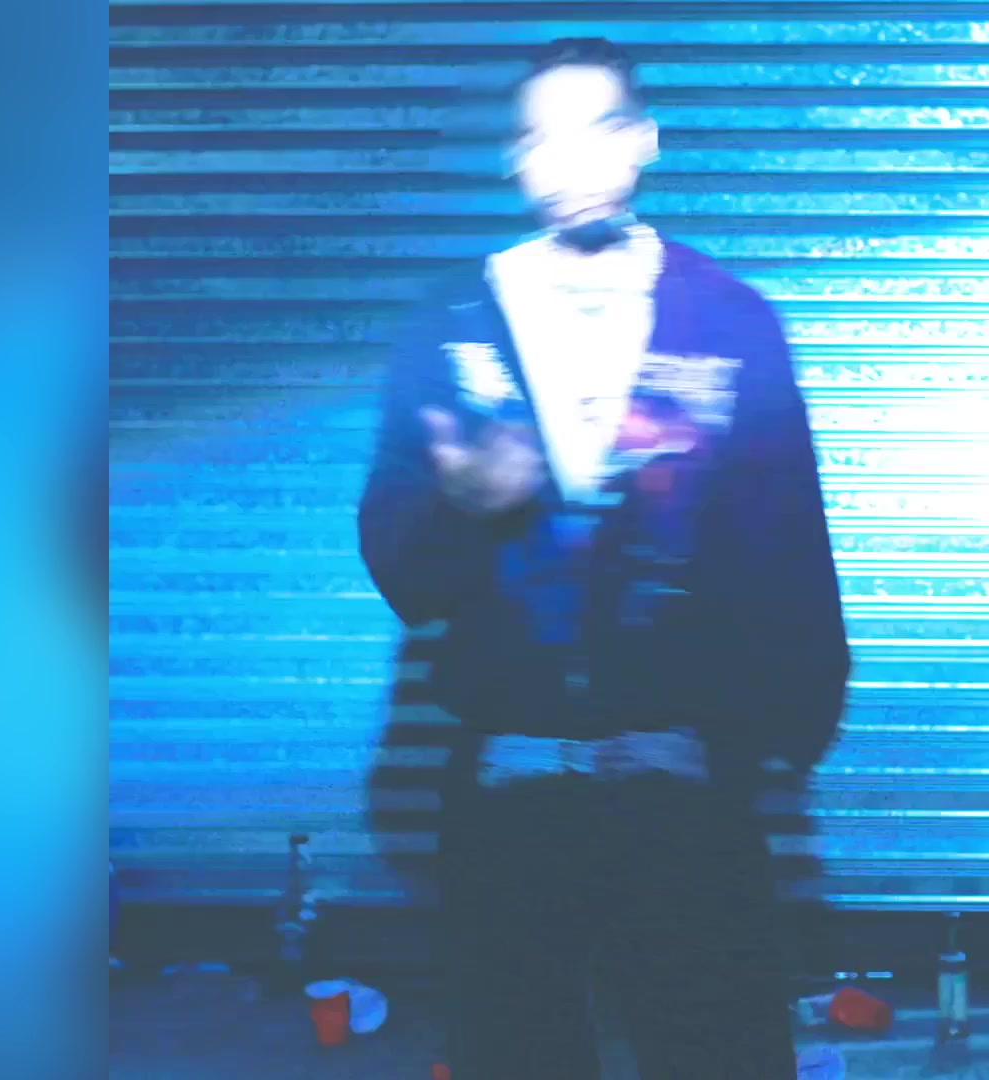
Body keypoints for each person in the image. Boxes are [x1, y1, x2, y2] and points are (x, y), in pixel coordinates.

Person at [356, 37, 850, 1078]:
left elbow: (789, 545)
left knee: (717, 1053)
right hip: (508, 791)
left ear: (643, 141)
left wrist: (779, 744)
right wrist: (462, 509)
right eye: (542, 138)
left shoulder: (728, 320)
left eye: (597, 130)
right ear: (514, 160)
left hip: (684, 790)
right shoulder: (455, 325)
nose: (571, 162)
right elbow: (403, 571)